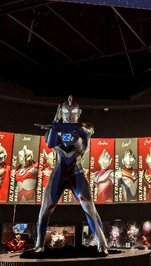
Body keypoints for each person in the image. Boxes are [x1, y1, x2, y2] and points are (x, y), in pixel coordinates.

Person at [34, 96, 109, 254]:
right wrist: (55, 125)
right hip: (59, 172)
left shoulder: (83, 128)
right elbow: (50, 143)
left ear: (79, 112)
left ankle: (102, 245)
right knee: (44, 210)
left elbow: (87, 130)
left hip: (76, 172)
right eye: (66, 112)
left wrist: (61, 126)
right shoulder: (55, 130)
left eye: (73, 111)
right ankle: (39, 244)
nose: (69, 114)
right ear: (61, 112)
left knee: (90, 208)